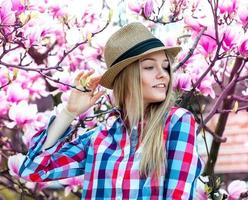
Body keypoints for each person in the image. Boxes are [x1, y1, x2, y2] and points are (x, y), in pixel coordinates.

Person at [19, 22, 202, 199]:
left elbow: (178, 195)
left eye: (165, 66)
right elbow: (32, 170)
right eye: (149, 67)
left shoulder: (177, 122)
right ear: (125, 78)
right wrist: (69, 112)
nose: (163, 74)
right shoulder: (99, 139)